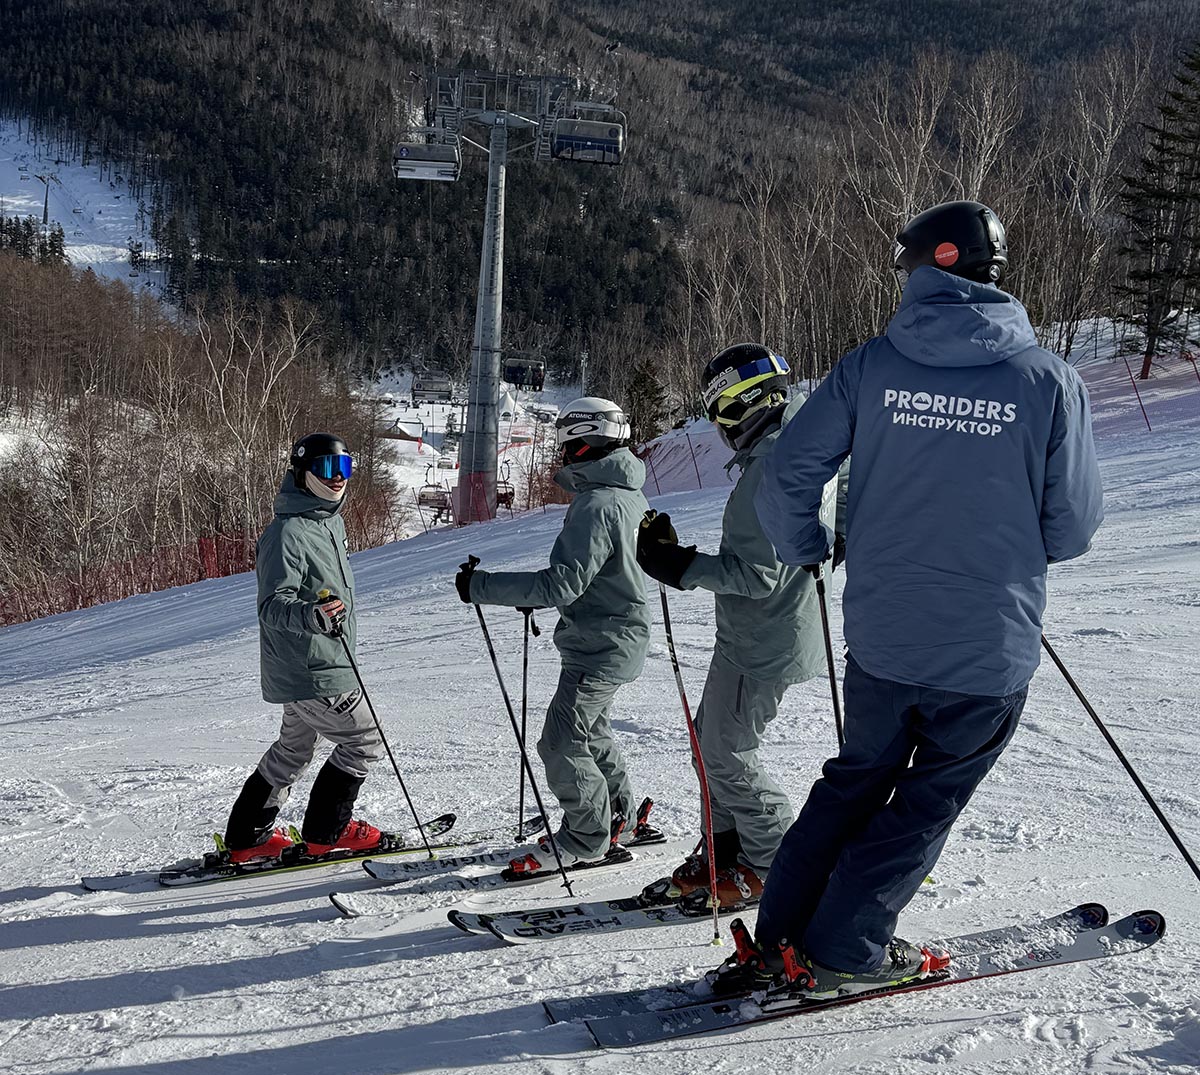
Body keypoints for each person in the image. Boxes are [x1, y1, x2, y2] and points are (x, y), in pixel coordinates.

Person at [719, 201, 1103, 998]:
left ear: (929, 266)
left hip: (886, 637)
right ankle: (845, 948)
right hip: (985, 645)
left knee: (855, 780)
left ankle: (780, 936)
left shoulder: (872, 368)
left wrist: (807, 549)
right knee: (924, 801)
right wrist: (1012, 548)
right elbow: (1071, 527)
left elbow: (790, 475)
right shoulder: (1047, 381)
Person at [636, 343, 845, 909]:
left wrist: (676, 565)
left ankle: (770, 858)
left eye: (718, 413)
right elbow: (842, 510)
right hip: (765, 633)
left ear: (739, 407)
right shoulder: (809, 450)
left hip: (764, 640)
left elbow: (756, 577)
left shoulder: (769, 469)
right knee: (711, 740)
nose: (719, 427)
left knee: (728, 752)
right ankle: (723, 845)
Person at [455, 397, 658, 873]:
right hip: (614, 636)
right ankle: (619, 819)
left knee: (561, 741)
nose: (561, 452)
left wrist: (481, 586)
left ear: (581, 443)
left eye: (566, 442)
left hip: (601, 644)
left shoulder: (596, 504)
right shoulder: (627, 494)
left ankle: (587, 838)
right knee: (592, 731)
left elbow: (562, 583)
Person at [223, 432, 392, 864]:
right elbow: (272, 605)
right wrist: (311, 617)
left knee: (293, 751)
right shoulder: (288, 533)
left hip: (311, 664)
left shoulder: (327, 522)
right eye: (327, 470)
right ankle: (327, 832)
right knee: (364, 740)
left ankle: (247, 838)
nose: (337, 479)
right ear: (303, 472)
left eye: (345, 469)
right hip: (313, 667)